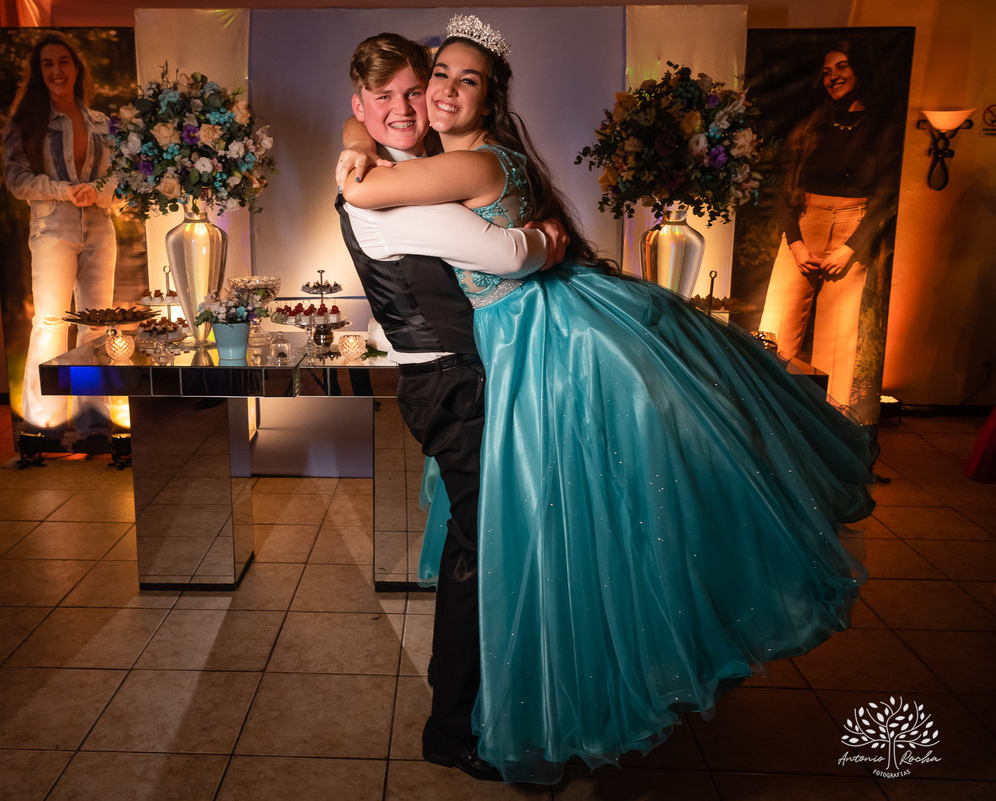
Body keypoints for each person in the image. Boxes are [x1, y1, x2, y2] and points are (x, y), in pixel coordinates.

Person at [341, 15, 876, 784]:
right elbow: (489, 241)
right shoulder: (456, 162)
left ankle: (539, 696)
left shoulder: (460, 164)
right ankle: (511, 700)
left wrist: (354, 141)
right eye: (436, 79)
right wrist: (362, 137)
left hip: (539, 347)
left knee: (544, 530)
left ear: (489, 101)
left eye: (462, 80)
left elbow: (399, 195)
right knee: (541, 528)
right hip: (528, 341)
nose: (440, 93)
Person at [335, 32, 567, 782]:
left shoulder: (404, 169)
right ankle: (452, 724)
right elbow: (502, 254)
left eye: (414, 90)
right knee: (486, 546)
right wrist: (544, 240)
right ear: (360, 106)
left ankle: (466, 706)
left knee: (478, 547)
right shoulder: (376, 198)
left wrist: (355, 138)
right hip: (449, 383)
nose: (405, 109)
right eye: (384, 99)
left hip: (465, 376)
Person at [758, 40, 900, 423]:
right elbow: (784, 192)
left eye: (841, 67)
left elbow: (886, 195)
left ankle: (830, 429)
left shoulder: (881, 130)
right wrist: (797, 243)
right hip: (807, 224)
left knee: (837, 342)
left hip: (853, 228)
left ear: (860, 71)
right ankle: (771, 418)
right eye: (826, 71)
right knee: (776, 328)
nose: (832, 76)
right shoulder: (810, 127)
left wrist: (851, 249)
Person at [3, 31, 117, 451]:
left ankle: (94, 426)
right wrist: (62, 190)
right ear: (39, 72)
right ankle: (44, 426)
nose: (56, 70)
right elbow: (15, 179)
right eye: (48, 64)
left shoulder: (102, 123)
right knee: (50, 323)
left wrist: (99, 192)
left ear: (76, 68)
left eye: (63, 62)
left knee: (95, 326)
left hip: (100, 227)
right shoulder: (26, 123)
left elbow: (123, 180)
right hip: (53, 227)